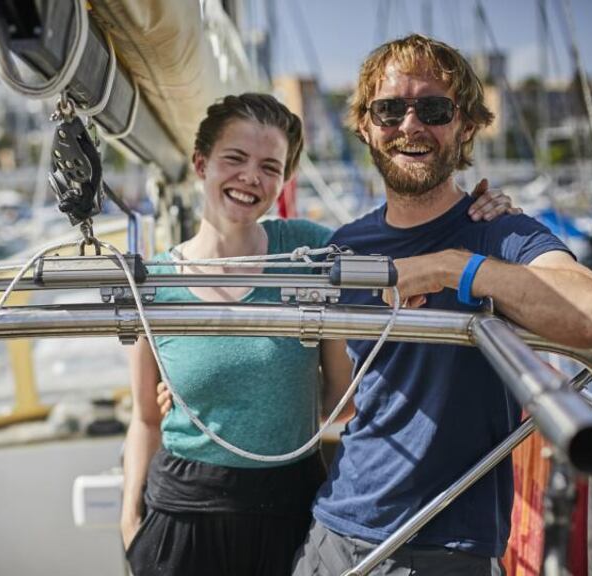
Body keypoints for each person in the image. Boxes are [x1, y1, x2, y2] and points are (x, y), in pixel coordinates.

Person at [122, 92, 518, 576]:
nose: (250, 176)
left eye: (269, 166)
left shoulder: (310, 252)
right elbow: (145, 419)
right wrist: (129, 519)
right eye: (235, 158)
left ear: (283, 180)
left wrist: (483, 216)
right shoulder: (156, 282)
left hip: (289, 508)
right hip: (182, 516)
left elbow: (401, 257)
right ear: (201, 163)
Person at [290, 35, 592, 576]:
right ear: (366, 127)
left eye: (434, 109)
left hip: (444, 547)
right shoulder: (346, 245)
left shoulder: (499, 232)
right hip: (333, 530)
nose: (410, 125)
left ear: (465, 126)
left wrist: (452, 267)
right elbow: (339, 401)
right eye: (390, 110)